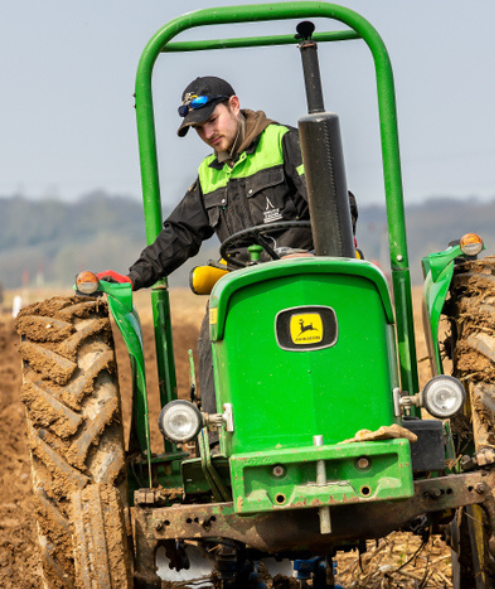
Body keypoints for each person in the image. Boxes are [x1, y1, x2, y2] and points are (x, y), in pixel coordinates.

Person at [119, 76, 355, 415]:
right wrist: (134, 278)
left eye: (212, 121)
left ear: (234, 105)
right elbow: (180, 233)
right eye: (199, 130)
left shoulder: (285, 142)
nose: (208, 134)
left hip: (301, 278)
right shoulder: (209, 173)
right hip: (243, 287)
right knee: (211, 333)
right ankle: (219, 439)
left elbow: (336, 204)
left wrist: (316, 253)